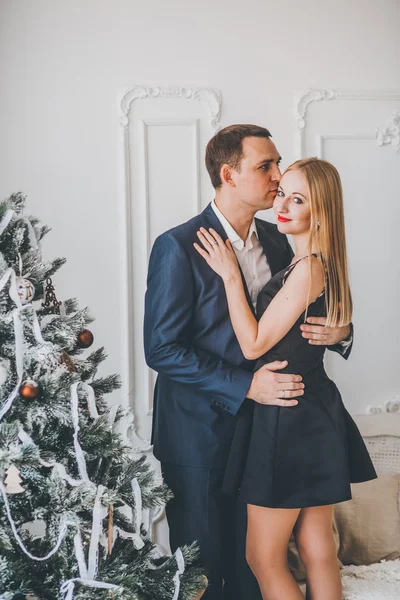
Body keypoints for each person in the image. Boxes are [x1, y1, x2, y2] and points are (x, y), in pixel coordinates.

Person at [144, 125, 352, 600]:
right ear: (228, 174)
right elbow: (161, 349)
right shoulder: (178, 247)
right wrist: (245, 386)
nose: (279, 177)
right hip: (198, 437)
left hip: (266, 434)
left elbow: (308, 301)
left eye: (279, 164)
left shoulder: (281, 237)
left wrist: (341, 330)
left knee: (252, 572)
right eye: (266, 166)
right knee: (202, 568)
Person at [194, 156, 377, 600]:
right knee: (317, 548)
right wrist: (343, 330)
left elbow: (255, 345)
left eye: (298, 199)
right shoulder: (309, 261)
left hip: (288, 419)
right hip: (314, 409)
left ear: (321, 212)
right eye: (282, 194)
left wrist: (231, 278)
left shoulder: (309, 267)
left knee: (262, 556)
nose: (283, 205)